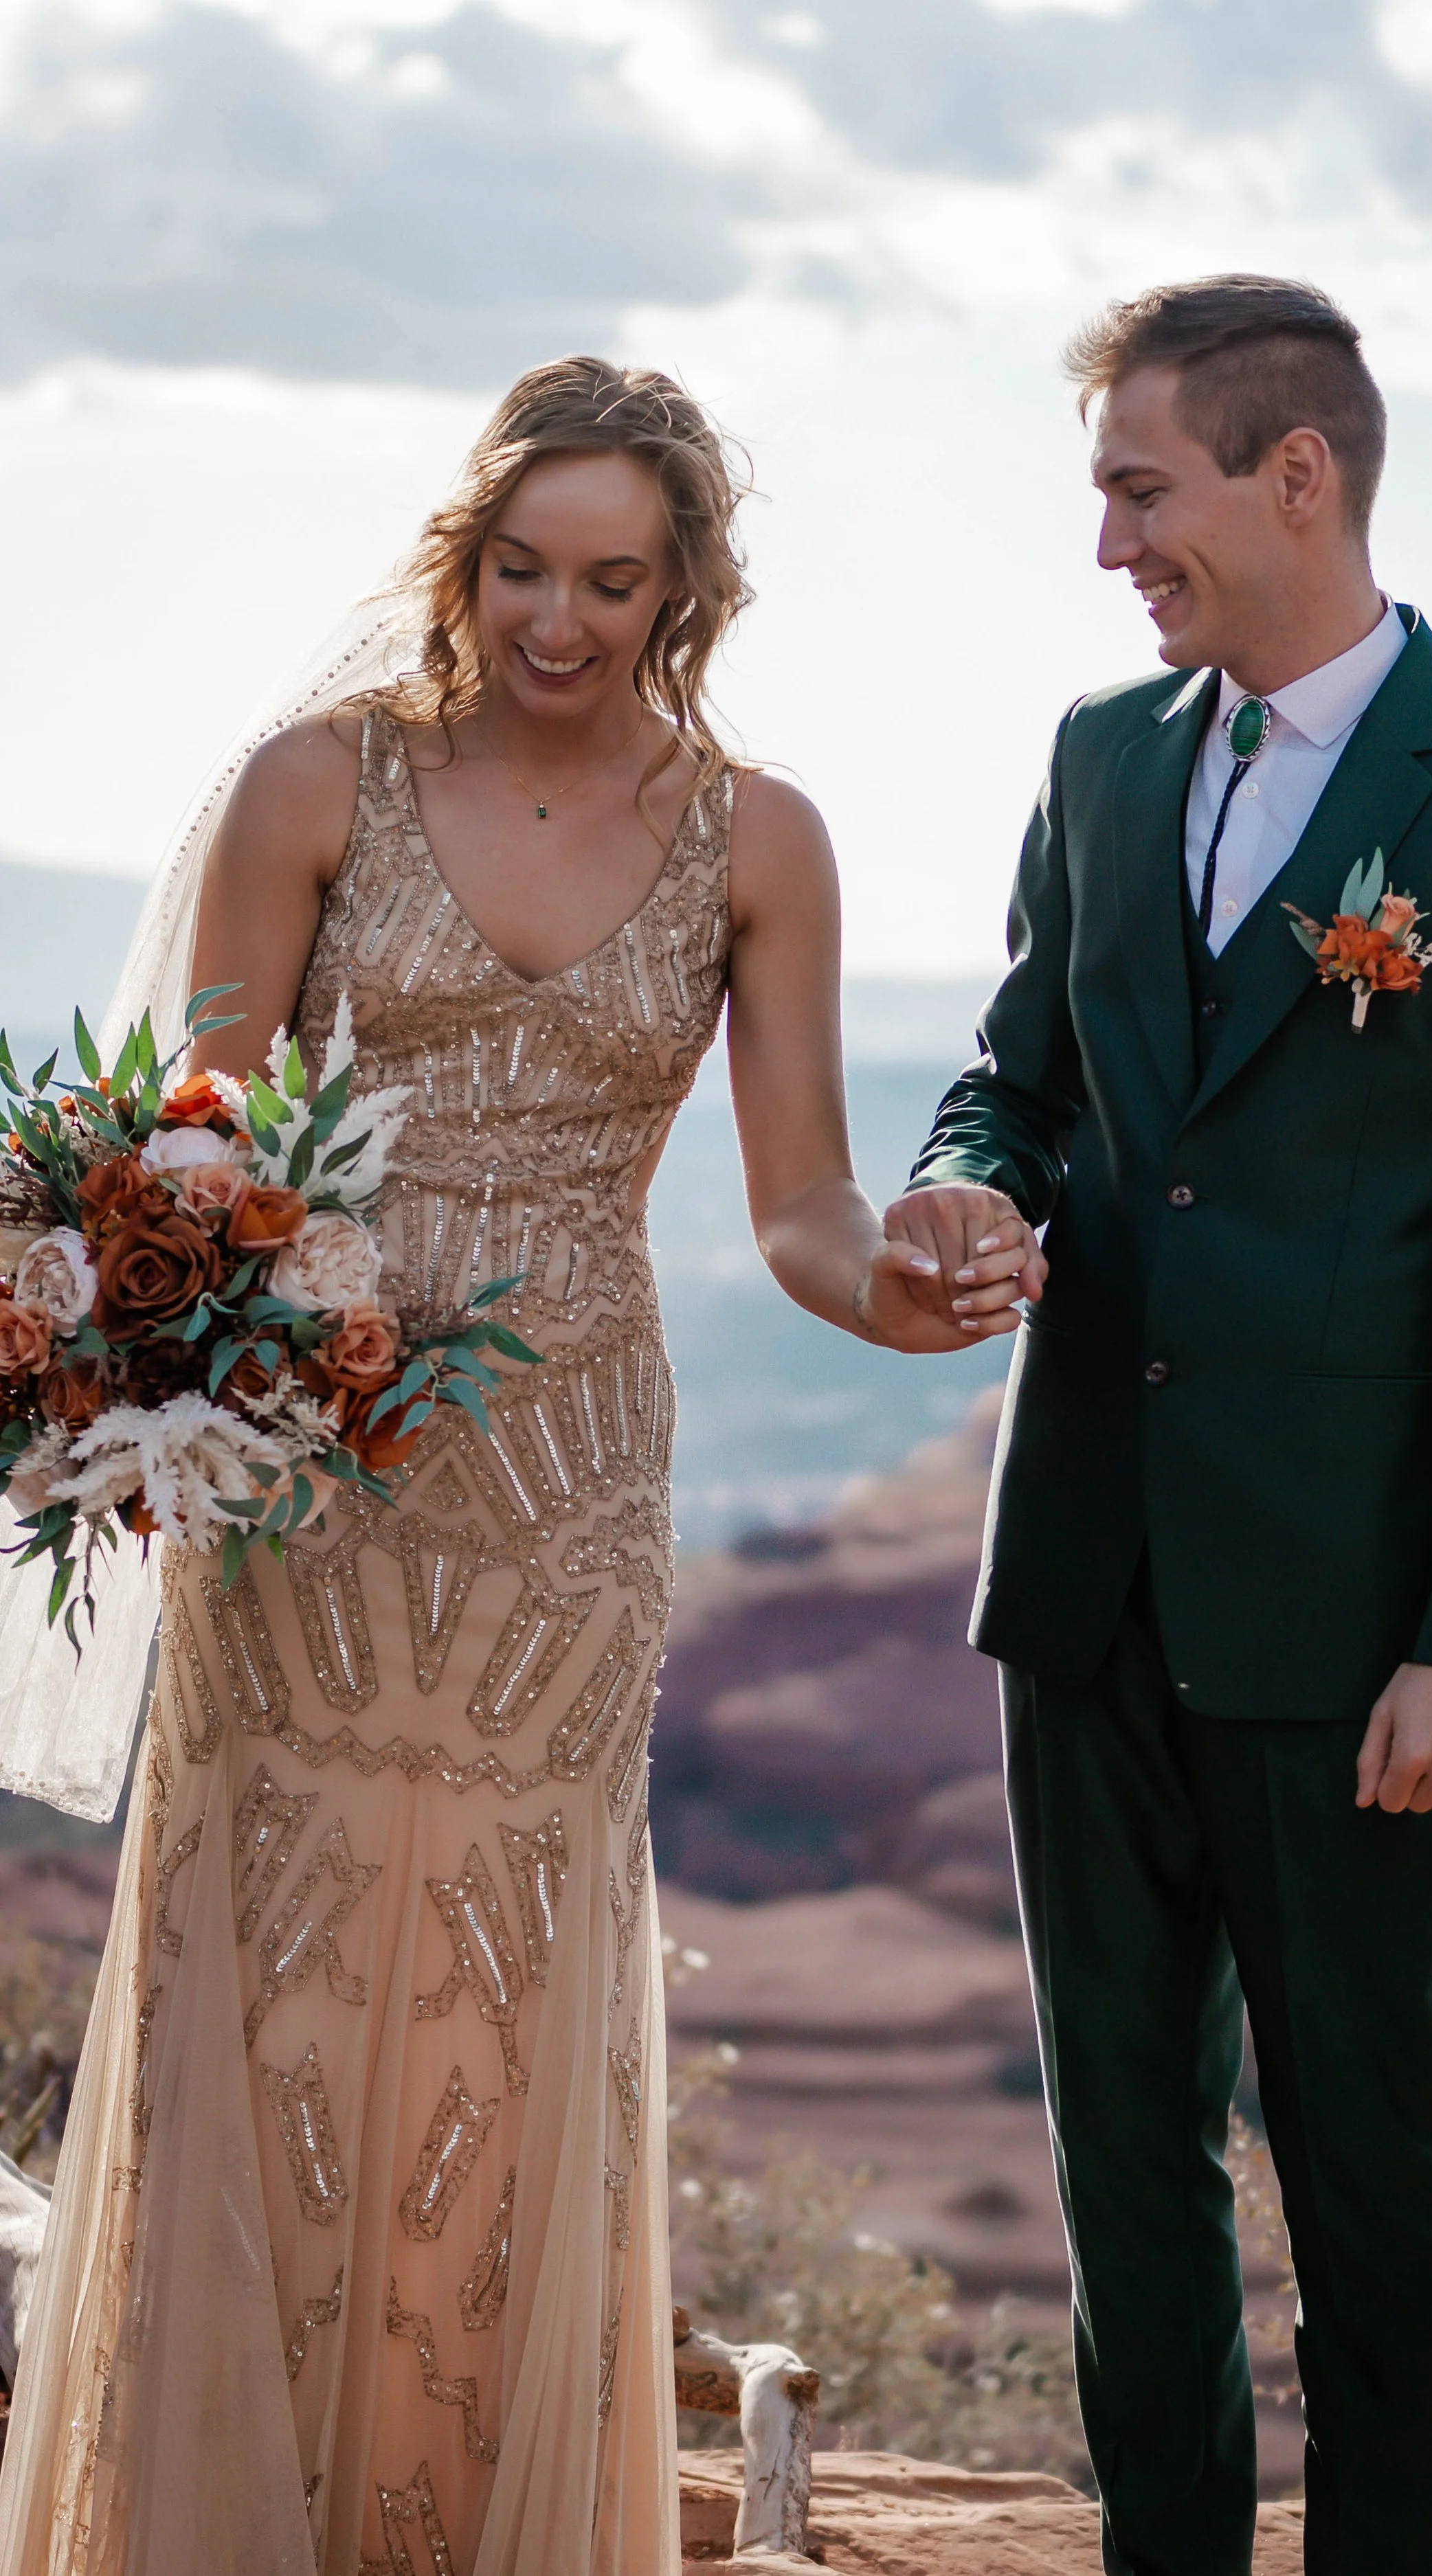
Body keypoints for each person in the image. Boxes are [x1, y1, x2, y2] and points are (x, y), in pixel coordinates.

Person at [0, 358, 1022, 2576]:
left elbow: (799, 1214)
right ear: (465, 556)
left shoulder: (761, 839)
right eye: (523, 566)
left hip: (567, 1493)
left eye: (613, 579)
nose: (559, 617)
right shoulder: (314, 785)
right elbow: (195, 1157)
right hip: (307, 1490)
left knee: (504, 1986)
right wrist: (137, 1333)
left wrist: (912, 1289)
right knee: (261, 1972)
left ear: (685, 592)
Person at [886, 277, 1432, 2574]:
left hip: (1349, 1628)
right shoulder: (1101, 759)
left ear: (1291, 472)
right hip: (1077, 1584)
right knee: (1123, 2170)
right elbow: (1014, 1070)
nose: (1109, 544)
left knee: (1369, 2182)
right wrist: (961, 1182)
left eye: (1139, 488)